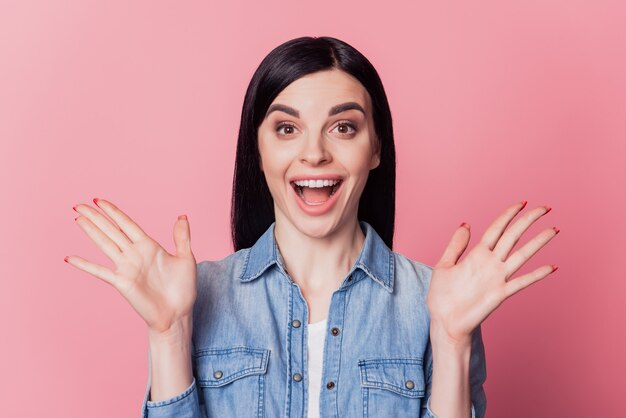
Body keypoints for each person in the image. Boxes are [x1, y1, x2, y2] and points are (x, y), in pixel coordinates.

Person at [65, 36, 559, 418]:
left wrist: (451, 341)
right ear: (257, 150)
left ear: (376, 149)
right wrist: (169, 332)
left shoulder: (437, 301)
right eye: (286, 128)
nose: (315, 152)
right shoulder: (195, 294)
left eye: (344, 127)